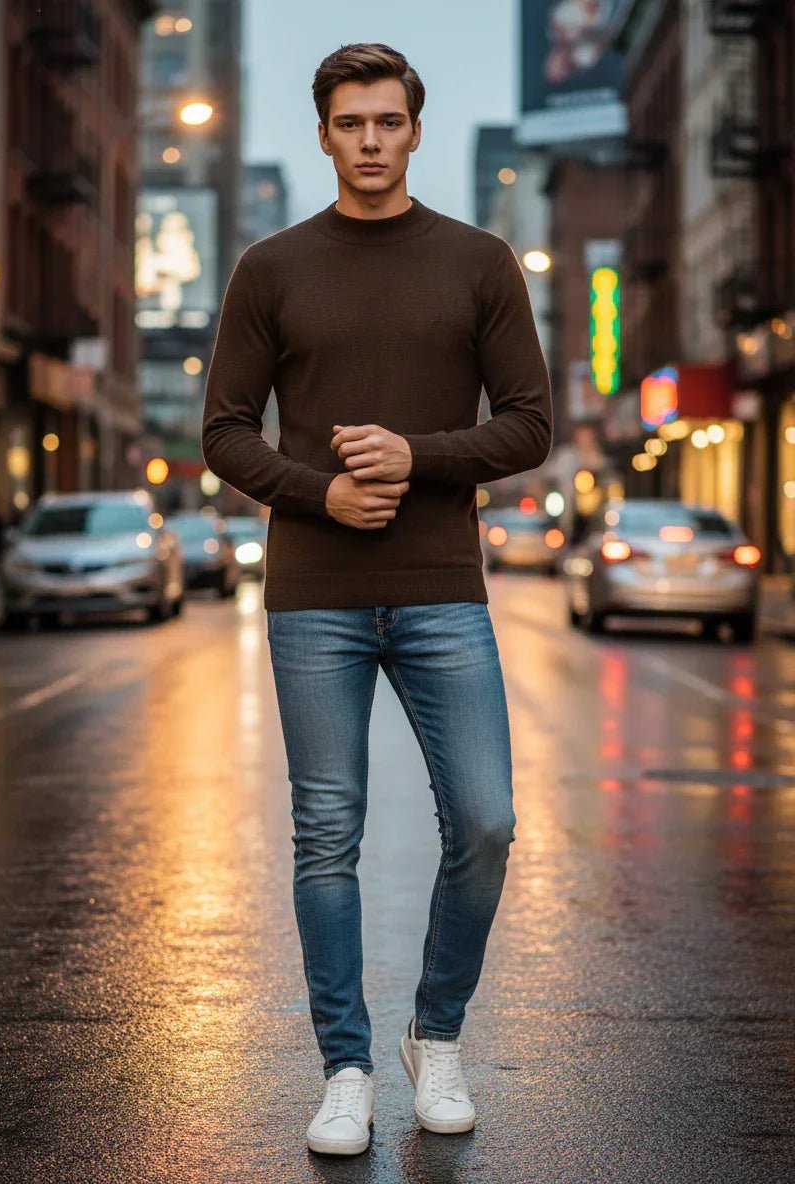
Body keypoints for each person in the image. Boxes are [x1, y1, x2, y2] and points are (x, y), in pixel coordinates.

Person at [202, 43, 552, 1157]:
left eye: (387, 121)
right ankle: (346, 1066)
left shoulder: (481, 259)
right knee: (327, 834)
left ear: (413, 129)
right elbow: (221, 431)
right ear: (323, 133)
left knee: (487, 820)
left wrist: (413, 456)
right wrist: (320, 493)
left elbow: (532, 423)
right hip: (314, 595)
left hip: (444, 585)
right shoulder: (270, 267)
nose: (369, 139)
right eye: (349, 121)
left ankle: (433, 1034)